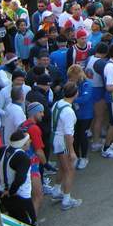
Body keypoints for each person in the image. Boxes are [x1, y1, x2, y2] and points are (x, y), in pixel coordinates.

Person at [0, 129, 36, 226]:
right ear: (23, 144)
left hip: (4, 195)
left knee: (16, 225)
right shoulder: (23, 157)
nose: (30, 141)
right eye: (28, 140)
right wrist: (11, 191)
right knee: (30, 225)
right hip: (20, 197)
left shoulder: (2, 150)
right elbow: (20, 179)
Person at [50, 82, 82, 210]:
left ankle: (56, 191)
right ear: (75, 94)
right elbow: (69, 135)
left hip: (55, 140)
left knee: (62, 167)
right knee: (69, 170)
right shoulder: (69, 111)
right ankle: (66, 200)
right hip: (63, 141)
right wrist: (72, 152)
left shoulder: (57, 104)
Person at [67, 64, 94, 170]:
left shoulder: (87, 84)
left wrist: (72, 100)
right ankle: (76, 157)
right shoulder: (72, 84)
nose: (70, 79)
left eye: (71, 76)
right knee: (75, 136)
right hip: (75, 115)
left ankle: (84, 158)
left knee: (83, 136)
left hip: (86, 115)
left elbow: (85, 98)